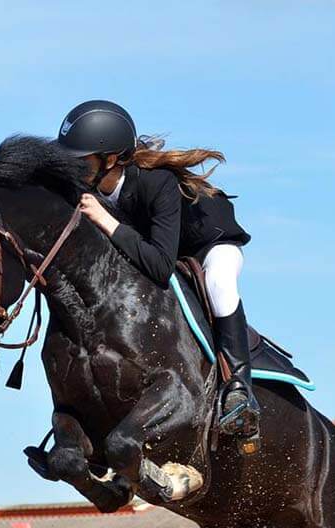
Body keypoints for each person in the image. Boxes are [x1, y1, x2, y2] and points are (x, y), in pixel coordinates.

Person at [56, 100, 309, 441]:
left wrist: (105, 220)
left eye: (80, 160)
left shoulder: (155, 182)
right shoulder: (90, 189)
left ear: (111, 159)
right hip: (156, 247)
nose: (72, 167)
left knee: (220, 283)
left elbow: (160, 266)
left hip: (207, 244)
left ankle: (238, 387)